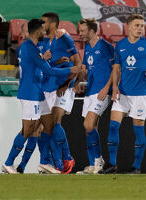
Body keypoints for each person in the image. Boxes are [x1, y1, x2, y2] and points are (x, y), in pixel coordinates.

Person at [2, 19, 80, 174]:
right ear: (37, 32)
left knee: (49, 124)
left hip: (38, 92)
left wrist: (54, 61)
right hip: (30, 93)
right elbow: (48, 71)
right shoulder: (31, 48)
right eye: (43, 30)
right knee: (28, 129)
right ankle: (8, 163)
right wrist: (70, 71)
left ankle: (45, 162)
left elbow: (41, 67)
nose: (45, 33)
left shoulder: (30, 48)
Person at [99, 14, 146, 174]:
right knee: (113, 126)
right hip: (123, 93)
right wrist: (115, 87)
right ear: (128, 26)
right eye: (137, 25)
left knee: (138, 131)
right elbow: (117, 68)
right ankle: (112, 164)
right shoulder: (120, 45)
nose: (140, 28)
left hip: (140, 94)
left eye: (142, 26)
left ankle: (137, 167)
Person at [37, 12, 82, 174]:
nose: (42, 24)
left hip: (63, 88)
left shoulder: (65, 39)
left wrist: (68, 84)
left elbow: (78, 64)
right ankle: (49, 163)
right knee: (42, 128)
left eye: (44, 22)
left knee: (53, 123)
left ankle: (66, 158)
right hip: (49, 87)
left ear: (53, 24)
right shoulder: (42, 41)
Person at [76, 18, 114, 174]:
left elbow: (115, 68)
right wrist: (79, 79)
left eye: (82, 31)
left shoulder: (105, 46)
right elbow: (85, 68)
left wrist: (107, 87)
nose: (80, 33)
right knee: (89, 128)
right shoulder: (87, 47)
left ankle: (98, 160)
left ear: (92, 31)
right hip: (90, 91)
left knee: (89, 124)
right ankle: (93, 164)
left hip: (102, 92)